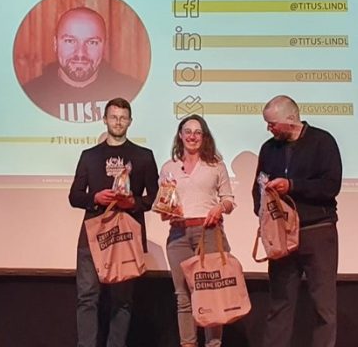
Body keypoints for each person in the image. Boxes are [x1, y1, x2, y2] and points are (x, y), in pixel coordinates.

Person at [252, 95, 343, 347]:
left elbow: (330, 186)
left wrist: (292, 185)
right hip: (282, 235)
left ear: (291, 119)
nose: (269, 128)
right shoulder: (269, 148)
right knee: (280, 304)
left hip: (317, 230)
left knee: (323, 306)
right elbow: (258, 187)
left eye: (272, 123)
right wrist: (264, 214)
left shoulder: (322, 141)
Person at [68, 97, 159, 347]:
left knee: (122, 300)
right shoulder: (89, 156)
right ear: (104, 119)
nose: (118, 122)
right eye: (113, 117)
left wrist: (132, 203)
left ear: (130, 121)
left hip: (125, 236)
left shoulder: (143, 156)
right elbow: (74, 196)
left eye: (123, 118)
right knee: (87, 297)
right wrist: (95, 198)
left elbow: (154, 197)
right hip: (92, 236)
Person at [159, 114, 235, 347]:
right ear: (180, 136)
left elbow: (229, 200)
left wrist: (219, 208)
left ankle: (213, 345)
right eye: (188, 131)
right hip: (178, 235)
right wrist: (167, 211)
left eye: (197, 132)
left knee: (211, 294)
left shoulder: (215, 166)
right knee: (183, 297)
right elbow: (162, 205)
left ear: (204, 137)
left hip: (208, 232)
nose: (192, 136)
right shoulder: (169, 167)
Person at [22, 7, 143, 122]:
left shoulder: (134, 92)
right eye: (70, 41)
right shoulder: (28, 96)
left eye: (92, 42)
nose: (80, 53)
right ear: (55, 44)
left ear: (104, 47)